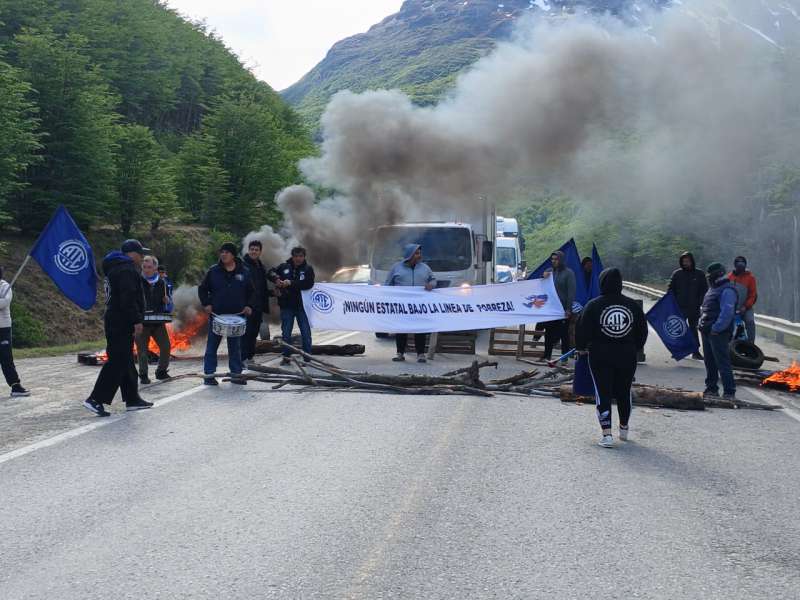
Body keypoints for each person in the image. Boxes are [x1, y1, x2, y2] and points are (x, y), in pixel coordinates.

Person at [576, 267, 648, 448]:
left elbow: (582, 329)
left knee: (603, 392)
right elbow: (642, 331)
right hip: (627, 355)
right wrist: (635, 347)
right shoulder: (632, 306)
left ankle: (606, 434)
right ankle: (624, 428)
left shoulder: (593, 305)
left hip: (600, 355)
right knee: (624, 391)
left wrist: (582, 348)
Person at [83, 240, 153, 416]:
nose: (142, 257)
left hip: (115, 319)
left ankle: (132, 398)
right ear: (131, 253)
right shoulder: (126, 269)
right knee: (117, 361)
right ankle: (95, 399)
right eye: (140, 253)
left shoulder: (115, 267)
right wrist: (136, 320)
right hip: (121, 320)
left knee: (126, 359)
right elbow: (127, 298)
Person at [198, 242, 255, 385]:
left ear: (233, 255)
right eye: (221, 252)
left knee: (235, 347)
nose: (223, 254)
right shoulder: (214, 271)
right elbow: (202, 289)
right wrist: (206, 304)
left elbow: (252, 292)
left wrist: (249, 305)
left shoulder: (244, 271)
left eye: (226, 252)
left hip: (237, 316)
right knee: (212, 346)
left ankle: (236, 375)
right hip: (217, 316)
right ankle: (209, 375)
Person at [384, 244, 436, 363]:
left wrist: (431, 285)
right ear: (410, 255)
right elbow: (387, 285)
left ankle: (420, 354)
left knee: (420, 330)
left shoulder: (425, 268)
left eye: (419, 253)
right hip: (401, 306)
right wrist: (390, 299)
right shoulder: (396, 268)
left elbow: (433, 280)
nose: (419, 256)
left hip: (419, 305)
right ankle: (400, 353)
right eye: (417, 253)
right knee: (401, 329)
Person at [268, 247, 315, 366]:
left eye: (300, 256)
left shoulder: (308, 269)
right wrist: (276, 279)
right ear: (292, 256)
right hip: (286, 305)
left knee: (305, 333)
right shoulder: (284, 267)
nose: (298, 258)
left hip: (302, 306)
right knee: (286, 333)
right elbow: (270, 272)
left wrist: (291, 283)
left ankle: (307, 358)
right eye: (296, 256)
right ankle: (286, 357)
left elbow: (308, 284)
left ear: (304, 257)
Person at [699, 262, 738, 400]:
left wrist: (716, 329)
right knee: (709, 362)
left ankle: (729, 391)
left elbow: (727, 313)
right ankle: (711, 389)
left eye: (711, 275)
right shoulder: (713, 289)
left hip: (718, 332)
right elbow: (706, 308)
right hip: (707, 330)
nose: (709, 278)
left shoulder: (727, 290)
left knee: (722, 362)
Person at [135, 255, 171, 384]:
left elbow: (168, 304)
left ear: (155, 268)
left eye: (149, 267)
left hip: (157, 321)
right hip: (141, 322)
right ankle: (143, 374)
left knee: (166, 346)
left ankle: (161, 371)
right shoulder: (137, 281)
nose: (146, 270)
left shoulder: (162, 283)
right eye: (144, 267)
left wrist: (167, 301)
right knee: (142, 350)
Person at [668, 251, 707, 360]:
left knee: (693, 329)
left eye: (688, 261)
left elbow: (704, 290)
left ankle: (695, 351)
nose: (685, 263)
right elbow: (670, 290)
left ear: (692, 261)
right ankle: (678, 350)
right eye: (684, 261)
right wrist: (671, 304)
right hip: (679, 307)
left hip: (694, 307)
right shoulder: (677, 274)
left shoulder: (699, 274)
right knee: (679, 329)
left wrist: (700, 302)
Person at [0, 266, 30, 397]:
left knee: (6, 358)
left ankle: (15, 386)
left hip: (3, 328)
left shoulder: (4, 285)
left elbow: (4, 302)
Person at [542, 250, 576, 362]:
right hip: (550, 309)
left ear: (561, 260)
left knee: (563, 335)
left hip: (562, 309)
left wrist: (568, 309)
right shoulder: (549, 272)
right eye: (552, 259)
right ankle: (547, 355)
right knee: (548, 333)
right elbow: (541, 285)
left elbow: (571, 292)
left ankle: (564, 359)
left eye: (556, 259)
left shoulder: (568, 273)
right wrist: (543, 276)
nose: (554, 261)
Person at [241, 240, 271, 366]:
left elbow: (261, 288)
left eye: (256, 249)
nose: (254, 251)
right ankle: (242, 359)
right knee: (245, 333)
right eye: (252, 249)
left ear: (260, 252)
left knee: (253, 333)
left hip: (258, 306)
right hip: (247, 306)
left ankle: (250, 357)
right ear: (248, 250)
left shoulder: (261, 267)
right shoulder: (242, 266)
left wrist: (272, 293)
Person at [728, 256, 757, 342]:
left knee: (750, 321)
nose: (741, 267)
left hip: (746, 307)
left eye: (743, 264)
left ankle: (751, 344)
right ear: (735, 265)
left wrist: (745, 306)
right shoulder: (729, 277)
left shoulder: (751, 278)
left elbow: (753, 295)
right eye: (739, 264)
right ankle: (728, 343)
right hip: (731, 307)